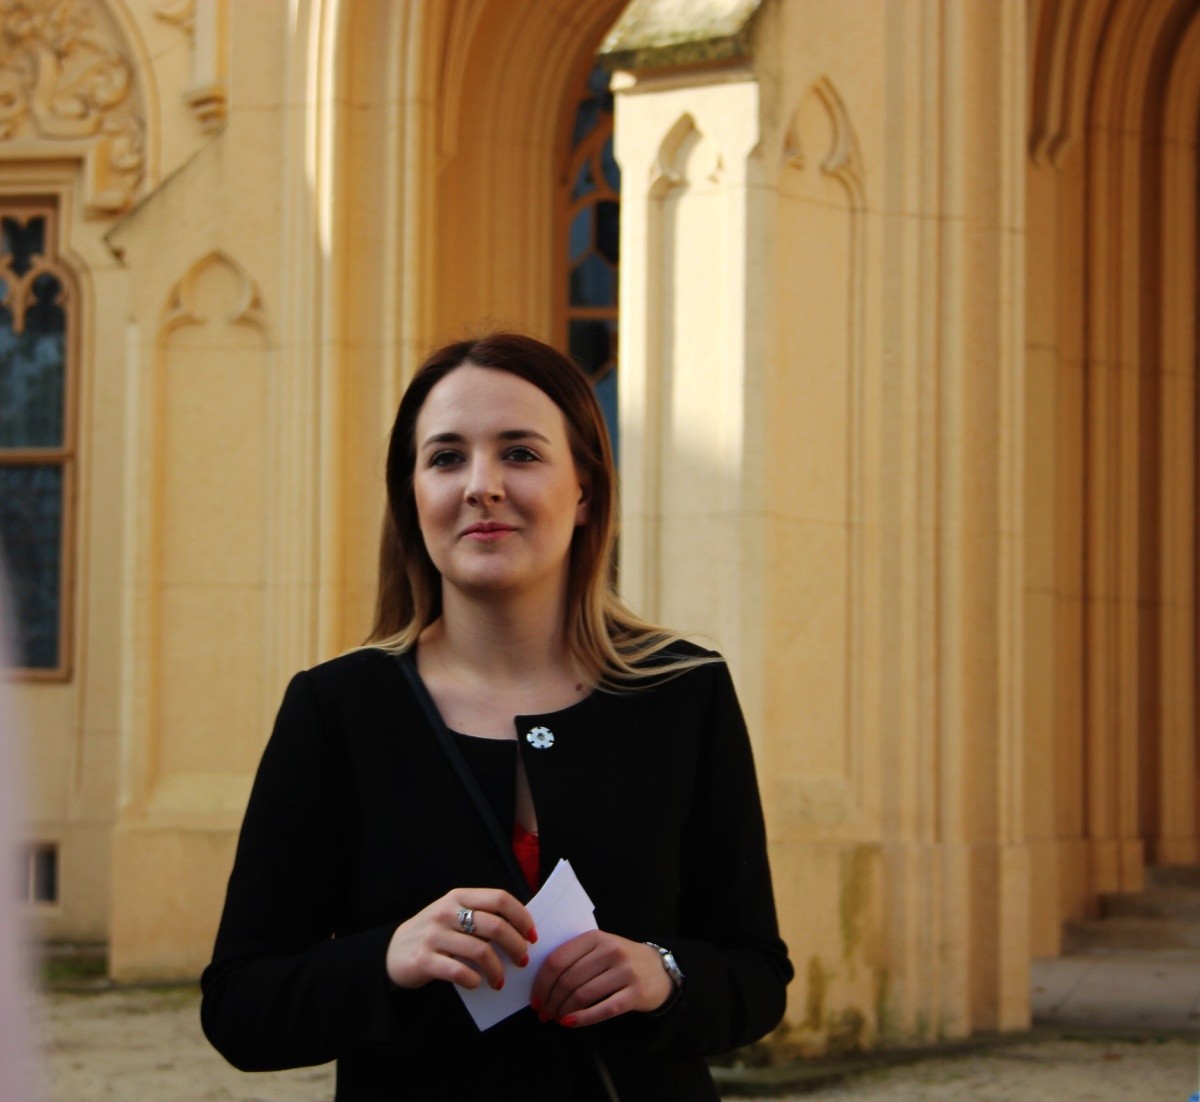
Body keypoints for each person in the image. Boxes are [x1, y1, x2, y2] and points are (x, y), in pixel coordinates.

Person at [201, 332, 792, 1100]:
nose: (481, 486)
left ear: (585, 492)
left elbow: (756, 973)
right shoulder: (336, 709)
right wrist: (388, 958)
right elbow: (240, 1005)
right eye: (446, 458)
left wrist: (663, 972)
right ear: (412, 498)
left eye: (520, 453)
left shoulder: (684, 692)